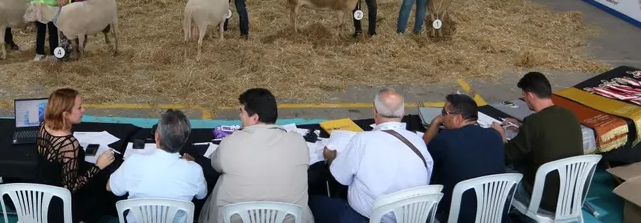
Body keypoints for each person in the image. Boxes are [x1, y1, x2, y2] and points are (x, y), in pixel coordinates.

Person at [311, 88, 430, 223]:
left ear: (374, 111)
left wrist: (331, 157)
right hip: (412, 217)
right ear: (403, 113)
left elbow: (341, 178)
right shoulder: (418, 141)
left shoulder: (362, 140)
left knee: (315, 203)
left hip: (364, 218)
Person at [201, 89, 312, 223]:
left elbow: (216, 165)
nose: (240, 116)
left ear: (254, 118)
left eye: (242, 112)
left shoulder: (231, 142)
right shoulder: (298, 141)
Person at [490, 72, 583, 212]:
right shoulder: (570, 115)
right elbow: (549, 131)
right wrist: (523, 127)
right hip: (573, 197)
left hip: (543, 200)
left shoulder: (533, 122)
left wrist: (501, 135)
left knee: (495, 167)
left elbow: (506, 156)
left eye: (524, 96)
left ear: (530, 96)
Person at [107, 109, 207, 216]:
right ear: (185, 140)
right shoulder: (195, 170)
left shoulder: (133, 162)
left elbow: (110, 187)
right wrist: (191, 164)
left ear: (157, 136)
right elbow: (201, 195)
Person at [37, 88, 116, 223]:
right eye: (79, 108)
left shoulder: (44, 125)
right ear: (65, 114)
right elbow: (70, 188)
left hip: (46, 193)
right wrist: (98, 166)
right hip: (66, 205)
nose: (83, 110)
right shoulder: (68, 144)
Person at [424, 94, 506, 223]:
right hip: (494, 213)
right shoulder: (494, 136)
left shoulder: (445, 140)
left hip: (456, 215)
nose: (442, 118)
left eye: (444, 113)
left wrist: (435, 123)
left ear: (458, 118)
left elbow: (424, 158)